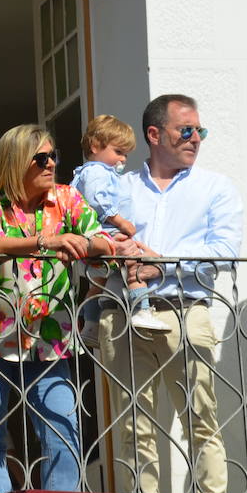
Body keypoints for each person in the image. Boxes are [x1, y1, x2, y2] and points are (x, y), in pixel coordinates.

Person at [98, 94, 242, 493]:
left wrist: (162, 265)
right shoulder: (118, 188)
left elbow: (225, 253)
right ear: (154, 135)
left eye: (200, 131)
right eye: (187, 130)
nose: (196, 139)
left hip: (186, 313)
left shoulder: (215, 188)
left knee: (201, 420)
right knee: (132, 424)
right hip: (124, 314)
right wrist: (112, 257)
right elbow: (94, 241)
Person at [0, 124, 113, 493]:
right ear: (16, 162)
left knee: (62, 434)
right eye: (41, 159)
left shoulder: (67, 198)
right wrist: (50, 240)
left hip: (50, 335)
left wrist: (83, 242)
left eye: (54, 157)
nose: (51, 165)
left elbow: (102, 239)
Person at [71, 115, 167, 334]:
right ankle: (141, 310)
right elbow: (97, 199)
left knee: (98, 283)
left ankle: (91, 326)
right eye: (118, 152)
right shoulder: (96, 172)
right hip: (109, 231)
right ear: (96, 146)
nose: (123, 159)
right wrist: (121, 221)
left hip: (100, 234)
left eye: (125, 154)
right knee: (134, 263)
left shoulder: (92, 172)